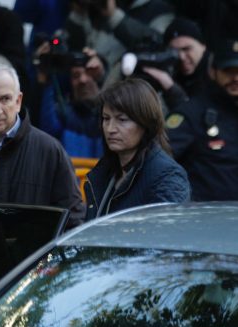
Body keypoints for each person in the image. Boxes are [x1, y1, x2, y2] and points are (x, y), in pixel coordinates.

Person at [0, 61, 85, 228]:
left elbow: (73, 219)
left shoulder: (48, 150)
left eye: (5, 99)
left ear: (18, 101)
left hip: (32, 254)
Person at [85, 78, 189, 220]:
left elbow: (166, 236)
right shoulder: (106, 170)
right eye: (106, 118)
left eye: (122, 120)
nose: (110, 129)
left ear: (146, 123)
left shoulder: (167, 176)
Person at [165, 38, 238, 201]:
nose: (236, 78)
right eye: (229, 71)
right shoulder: (192, 113)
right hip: (208, 219)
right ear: (213, 71)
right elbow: (157, 162)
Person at [39, 48, 105, 158]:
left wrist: (104, 73)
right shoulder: (62, 115)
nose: (83, 80)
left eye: (89, 73)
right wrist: (47, 78)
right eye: (76, 75)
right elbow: (48, 131)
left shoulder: (110, 113)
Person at [143, 17, 210, 109]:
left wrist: (171, 89)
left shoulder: (218, 75)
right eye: (174, 52)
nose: (181, 57)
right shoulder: (171, 71)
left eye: (187, 49)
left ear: (203, 46)